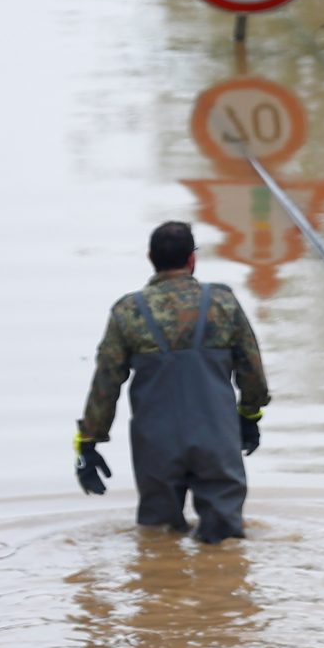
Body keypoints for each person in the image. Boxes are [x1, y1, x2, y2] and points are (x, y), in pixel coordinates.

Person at [74, 221, 269, 543]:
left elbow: (105, 385)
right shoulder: (222, 303)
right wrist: (249, 416)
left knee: (157, 538)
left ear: (151, 257)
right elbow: (252, 371)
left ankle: (160, 585)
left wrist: (89, 443)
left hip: (156, 444)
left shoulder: (128, 311)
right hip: (216, 439)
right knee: (225, 542)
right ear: (192, 259)